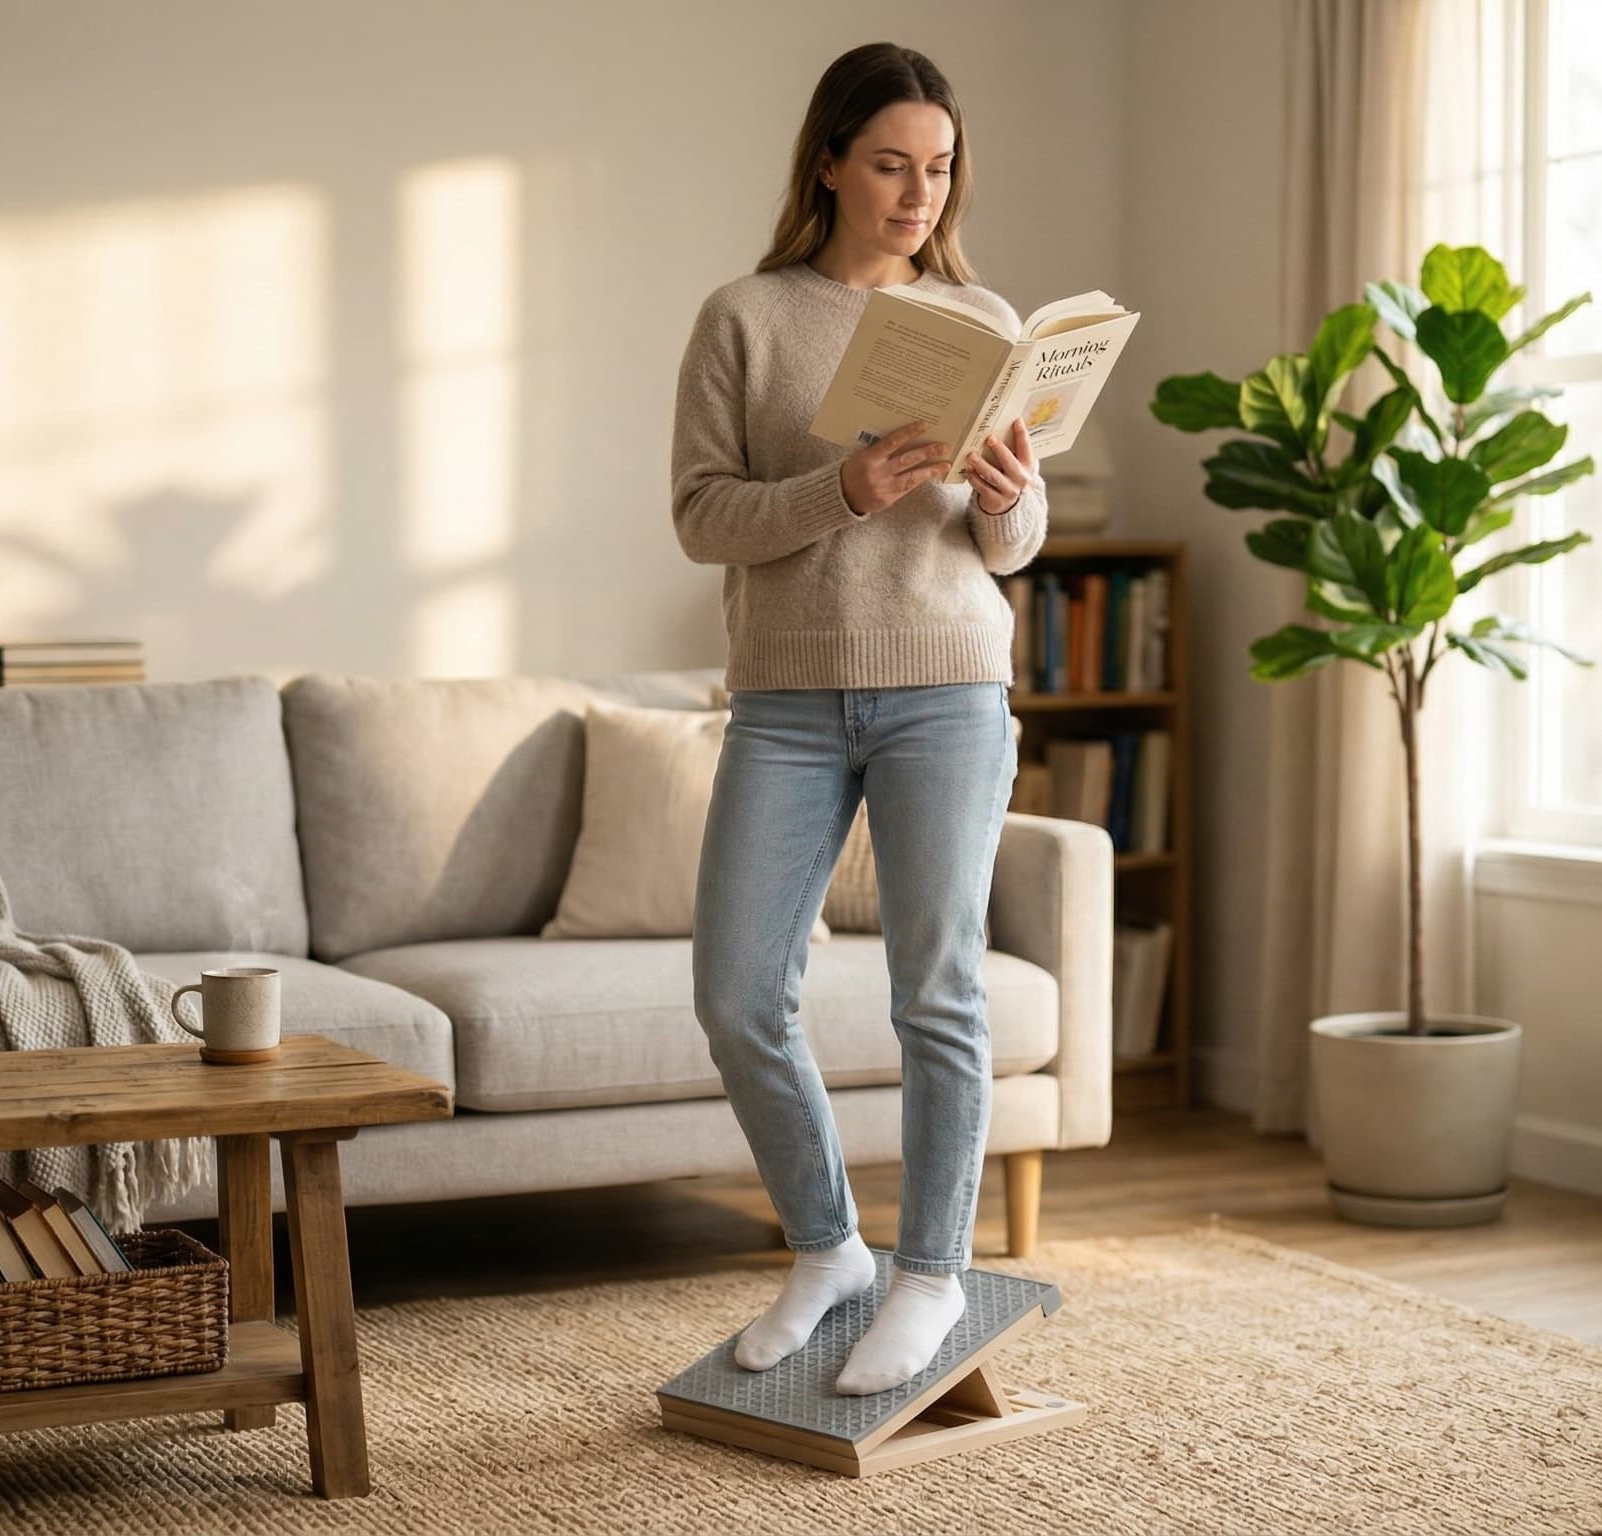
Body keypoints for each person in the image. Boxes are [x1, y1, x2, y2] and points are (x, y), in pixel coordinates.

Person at [670, 40, 1047, 1397]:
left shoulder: (985, 318)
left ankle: (932, 1272)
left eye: (938, 169)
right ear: (828, 161)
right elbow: (701, 513)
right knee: (735, 993)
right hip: (788, 696)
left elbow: (1010, 550)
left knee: (936, 990)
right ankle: (829, 1246)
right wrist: (845, 486)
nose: (918, 194)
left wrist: (1006, 490)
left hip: (950, 686)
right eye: (891, 164)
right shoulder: (746, 317)